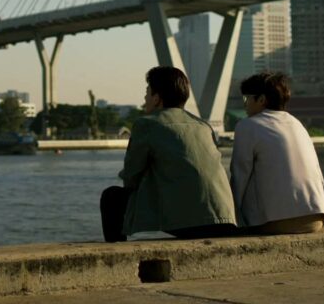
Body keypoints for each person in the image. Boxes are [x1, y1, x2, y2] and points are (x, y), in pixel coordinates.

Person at [100, 66, 237, 242]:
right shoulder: (203, 125)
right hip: (225, 219)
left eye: (147, 92)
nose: (144, 98)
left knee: (112, 197)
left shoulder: (147, 124)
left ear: (157, 98)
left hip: (193, 223)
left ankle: (117, 253)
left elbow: (131, 176)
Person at [230, 71, 324, 234]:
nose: (244, 105)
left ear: (261, 100)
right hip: (315, 219)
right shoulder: (297, 124)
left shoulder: (247, 125)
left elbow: (239, 176)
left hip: (276, 222)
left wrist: (229, 217)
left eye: (246, 99)